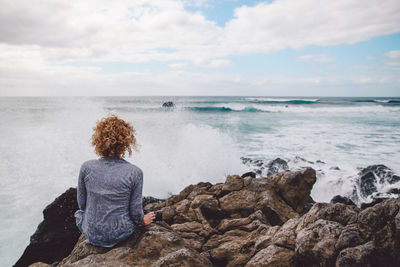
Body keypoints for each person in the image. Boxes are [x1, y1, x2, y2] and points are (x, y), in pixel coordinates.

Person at [74, 115, 156, 247]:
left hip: (92, 235)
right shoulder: (135, 172)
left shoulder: (86, 167)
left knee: (79, 214)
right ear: (126, 142)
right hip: (121, 234)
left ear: (98, 139)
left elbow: (82, 204)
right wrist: (143, 220)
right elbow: (135, 213)